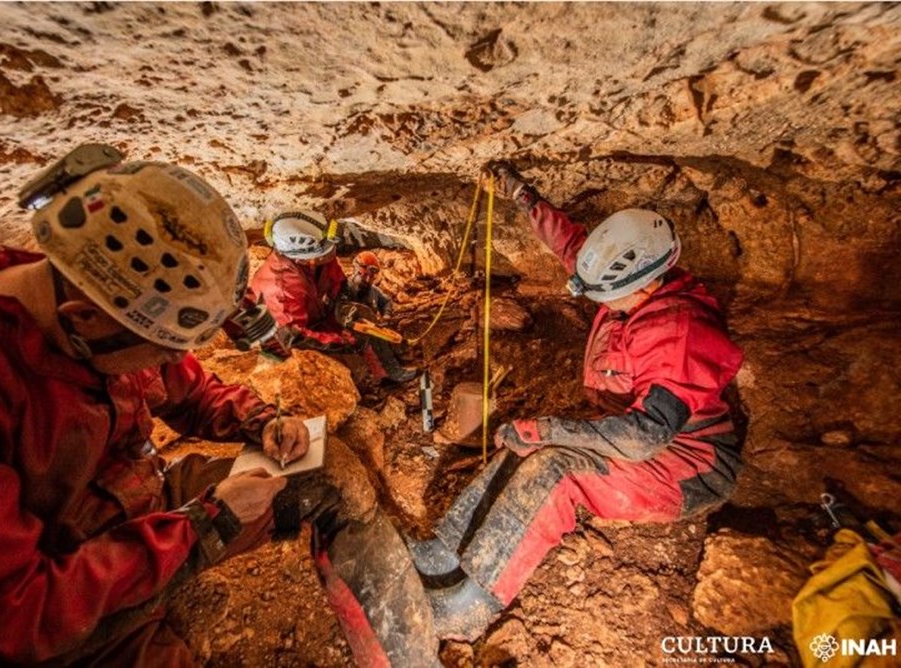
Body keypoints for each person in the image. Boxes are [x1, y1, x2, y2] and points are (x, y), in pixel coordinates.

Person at [0, 146, 437, 667]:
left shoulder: (109, 303)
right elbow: (15, 616)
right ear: (83, 320)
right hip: (40, 615)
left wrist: (261, 420)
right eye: (164, 348)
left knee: (329, 470)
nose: (175, 359)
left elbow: (190, 391)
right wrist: (208, 521)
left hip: (133, 511)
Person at [409, 161, 745, 641]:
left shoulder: (679, 330)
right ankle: (444, 553)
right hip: (640, 437)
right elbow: (571, 245)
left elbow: (645, 435)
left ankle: (469, 605)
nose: (602, 304)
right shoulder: (630, 284)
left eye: (611, 297)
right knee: (525, 447)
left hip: (690, 466)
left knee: (556, 472)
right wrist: (522, 195)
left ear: (647, 282)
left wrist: (547, 430)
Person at [249, 210, 415, 385]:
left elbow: (336, 279)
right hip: (290, 342)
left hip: (315, 318)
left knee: (364, 320)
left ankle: (387, 368)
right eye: (323, 252)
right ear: (302, 257)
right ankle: (370, 381)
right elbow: (294, 337)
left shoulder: (315, 259)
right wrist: (342, 341)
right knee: (350, 363)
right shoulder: (279, 289)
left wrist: (343, 306)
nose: (328, 254)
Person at [344, 250, 393, 318]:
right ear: (356, 272)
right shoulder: (343, 288)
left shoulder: (374, 291)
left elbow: (386, 301)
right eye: (365, 275)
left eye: (371, 277)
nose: (367, 280)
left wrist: (386, 315)